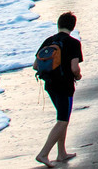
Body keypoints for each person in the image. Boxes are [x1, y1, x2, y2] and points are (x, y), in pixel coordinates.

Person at [33, 12, 83, 167]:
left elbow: (36, 65)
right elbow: (74, 68)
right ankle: (43, 154)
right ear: (72, 26)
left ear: (58, 24)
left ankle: (61, 153)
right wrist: (79, 76)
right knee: (62, 120)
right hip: (65, 86)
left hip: (50, 85)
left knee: (62, 117)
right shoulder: (73, 43)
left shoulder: (49, 40)